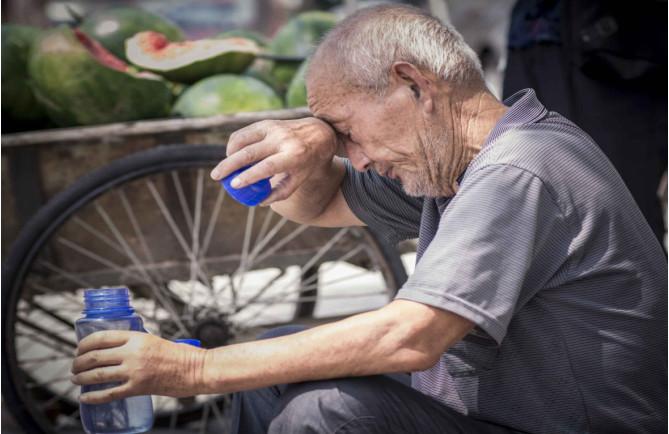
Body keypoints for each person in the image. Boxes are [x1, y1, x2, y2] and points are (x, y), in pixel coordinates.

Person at [71, 5, 667, 433]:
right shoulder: (458, 164)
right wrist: (309, 143)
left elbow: (409, 336)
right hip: (496, 408)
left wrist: (195, 367)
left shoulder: (521, 169)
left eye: (350, 132)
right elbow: (319, 203)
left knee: (325, 414)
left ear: (413, 84)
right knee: (273, 361)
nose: (355, 156)